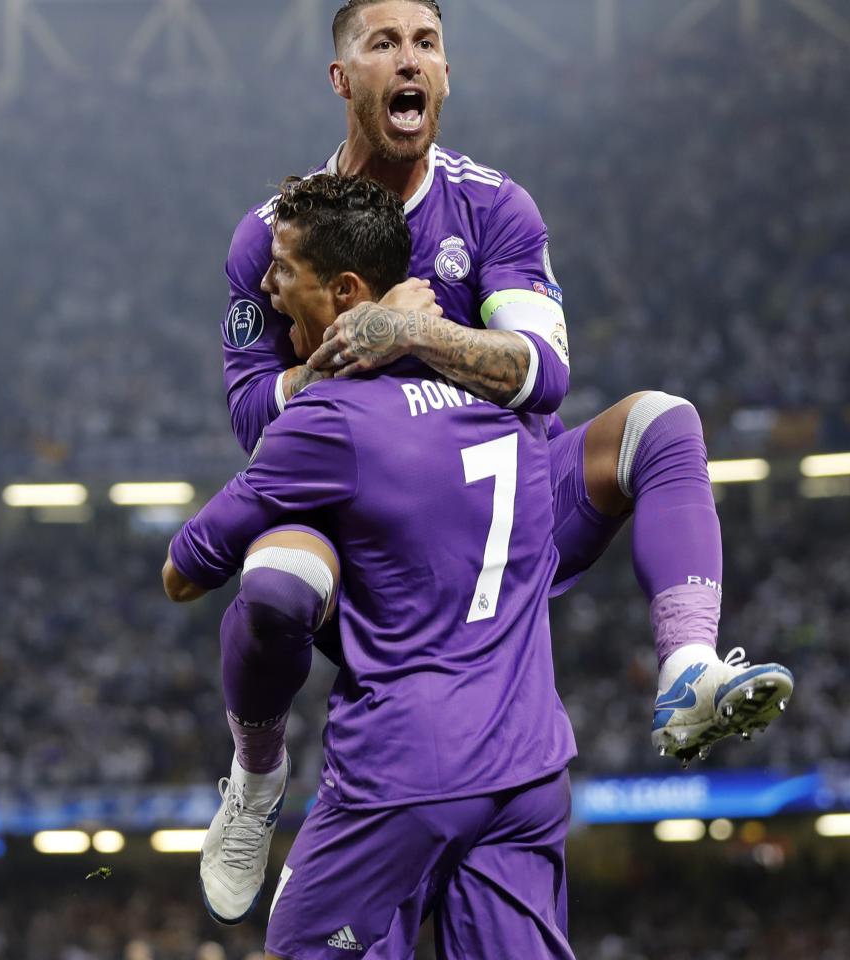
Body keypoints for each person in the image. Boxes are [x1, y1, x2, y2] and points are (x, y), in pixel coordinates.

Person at [203, 0, 793, 923]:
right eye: (385, 43)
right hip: (364, 523)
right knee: (275, 583)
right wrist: (339, 361)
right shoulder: (273, 236)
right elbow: (250, 411)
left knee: (661, 424)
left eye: (428, 44)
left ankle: (687, 672)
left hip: (503, 509)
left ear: (445, 74)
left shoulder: (493, 207)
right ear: (342, 78)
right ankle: (255, 774)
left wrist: (408, 334)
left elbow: (546, 374)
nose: (411, 60)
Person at [166, 173, 577, 959]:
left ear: (345, 290)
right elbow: (537, 374)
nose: (265, 283)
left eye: (284, 269)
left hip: (405, 769)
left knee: (276, 584)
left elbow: (183, 571)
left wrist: (317, 384)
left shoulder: (329, 419)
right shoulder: (516, 412)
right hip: (530, 767)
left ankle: (255, 774)